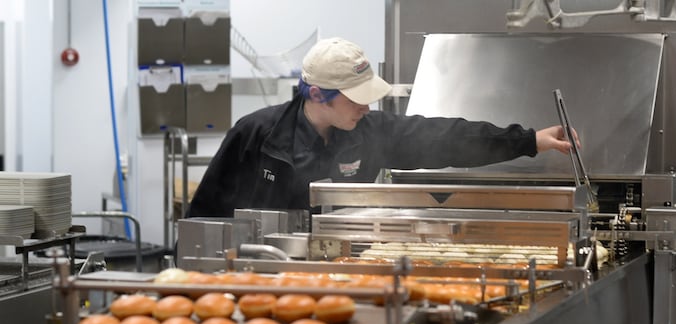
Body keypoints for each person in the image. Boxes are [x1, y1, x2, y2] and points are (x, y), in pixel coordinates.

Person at [186, 37, 578, 218]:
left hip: (341, 271)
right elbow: (206, 211)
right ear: (319, 94)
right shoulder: (257, 135)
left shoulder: (369, 131)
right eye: (356, 96)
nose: (366, 105)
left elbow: (443, 138)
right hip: (262, 278)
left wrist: (530, 140)